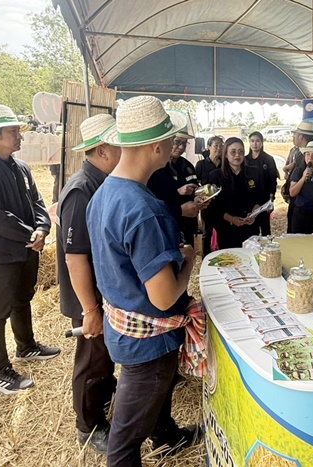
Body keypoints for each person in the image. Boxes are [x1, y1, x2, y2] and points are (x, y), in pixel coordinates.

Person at [86, 96, 204, 466]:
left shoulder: (104, 194)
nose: (174, 146)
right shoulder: (144, 209)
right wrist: (189, 260)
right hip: (148, 344)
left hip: (123, 328)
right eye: (171, 139)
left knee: (147, 407)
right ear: (156, 146)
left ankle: (166, 436)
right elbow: (165, 296)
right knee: (124, 442)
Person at [0, 104, 60, 395]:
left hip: (25, 246)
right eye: (12, 131)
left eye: (19, 130)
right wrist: (31, 235)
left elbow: (38, 202)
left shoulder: (20, 167)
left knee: (22, 298)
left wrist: (42, 228)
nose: (20, 136)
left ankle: (26, 346)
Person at [56, 113, 121, 453]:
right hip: (89, 297)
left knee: (104, 357)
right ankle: (89, 426)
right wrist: (90, 310)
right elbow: (75, 258)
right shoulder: (82, 190)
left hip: (101, 292)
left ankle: (102, 401)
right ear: (103, 150)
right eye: (120, 144)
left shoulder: (103, 182)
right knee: (92, 361)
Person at [148, 113, 209, 247]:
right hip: (167, 225)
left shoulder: (188, 166)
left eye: (184, 143)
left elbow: (195, 190)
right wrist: (178, 192)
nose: (180, 147)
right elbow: (153, 203)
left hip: (188, 224)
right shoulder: (155, 169)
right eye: (177, 142)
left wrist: (198, 199)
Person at [206, 137, 266, 249]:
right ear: (225, 154)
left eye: (240, 152)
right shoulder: (215, 176)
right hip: (227, 229)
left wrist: (255, 212)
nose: (237, 155)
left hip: (250, 227)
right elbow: (213, 207)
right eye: (233, 152)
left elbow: (261, 196)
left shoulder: (254, 172)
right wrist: (231, 218)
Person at [282, 122, 313, 233]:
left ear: (301, 137)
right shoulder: (298, 153)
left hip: (301, 203)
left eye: (295, 135)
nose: (293, 138)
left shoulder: (308, 156)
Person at [245, 131, 278, 236]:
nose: (255, 144)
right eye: (252, 141)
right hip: (250, 201)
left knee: (265, 230)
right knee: (251, 230)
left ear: (262, 143)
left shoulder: (268, 159)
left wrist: (271, 199)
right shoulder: (245, 160)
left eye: (257, 141)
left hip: (264, 200)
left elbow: (273, 180)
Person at [195, 136, 223, 255]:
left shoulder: (224, 164)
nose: (219, 148)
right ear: (208, 147)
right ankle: (205, 258)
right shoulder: (201, 164)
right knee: (207, 233)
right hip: (207, 205)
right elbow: (196, 184)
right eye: (216, 145)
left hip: (222, 205)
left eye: (221, 146)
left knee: (222, 232)